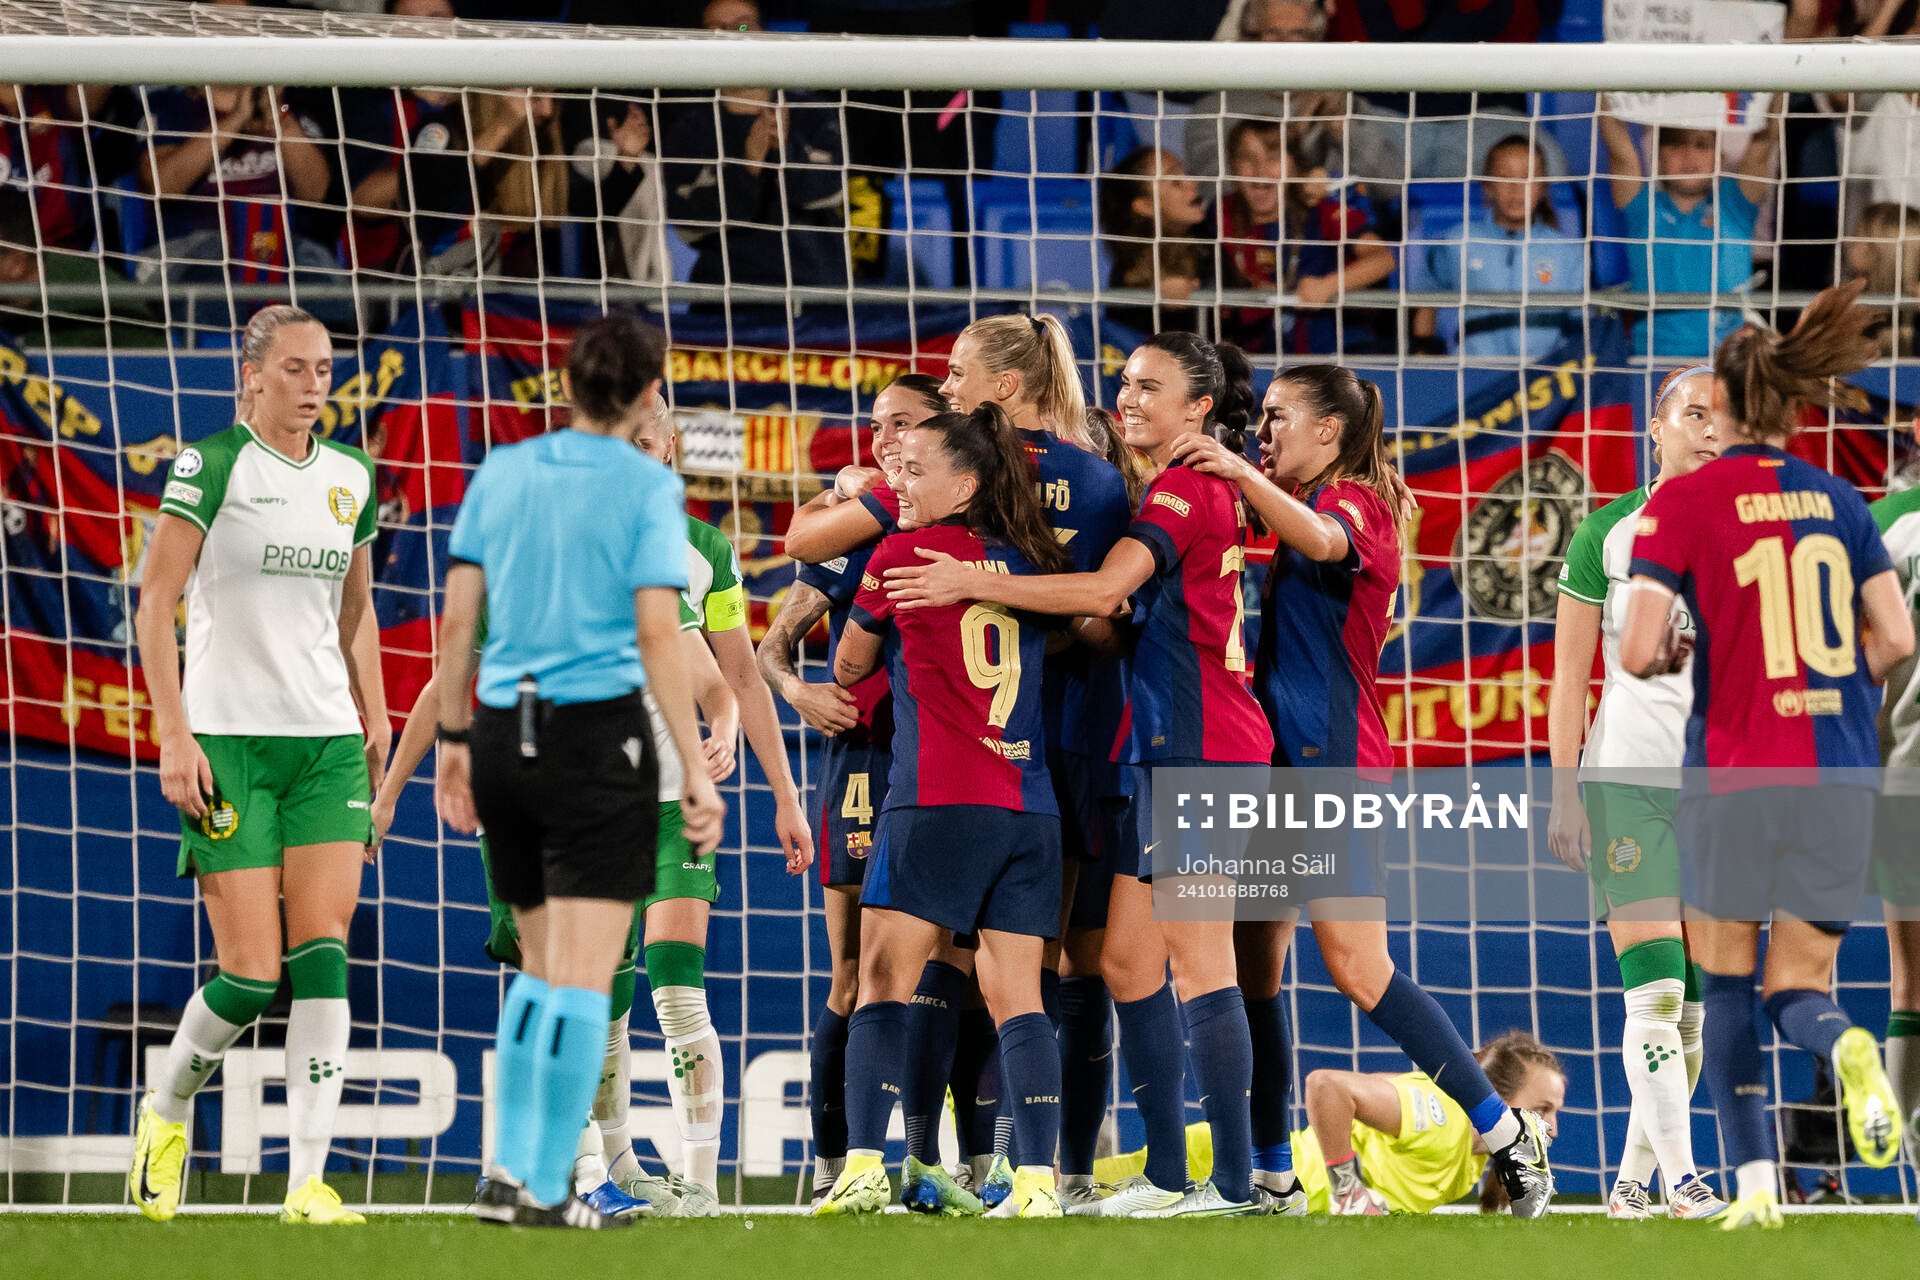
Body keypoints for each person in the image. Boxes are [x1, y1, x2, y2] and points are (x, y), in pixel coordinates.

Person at [887, 333, 1270, 1217]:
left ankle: (1235, 1184)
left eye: (1150, 388)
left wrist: (970, 583)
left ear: (1199, 408)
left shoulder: (1181, 487)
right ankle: (1174, 1176)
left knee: (1205, 965)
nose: (1127, 398)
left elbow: (1103, 596)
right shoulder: (1176, 483)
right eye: (1125, 382)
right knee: (1132, 961)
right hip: (1161, 747)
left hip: (1205, 749)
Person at [1168, 362, 1556, 1220]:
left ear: (1329, 433)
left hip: (1331, 763)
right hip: (1272, 763)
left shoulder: (1358, 507)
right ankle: (1271, 1173)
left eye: (1277, 418)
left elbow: (1323, 543)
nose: (1263, 434)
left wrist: (1234, 469)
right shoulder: (1302, 499)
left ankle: (1499, 1132)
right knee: (1250, 968)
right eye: (1257, 420)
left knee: (1357, 966)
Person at [1622, 279, 1915, 1229]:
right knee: (1799, 984)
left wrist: (1681, 651)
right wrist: (1831, 686)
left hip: (1737, 767)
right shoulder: (1840, 498)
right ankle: (1845, 1047)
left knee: (1728, 982)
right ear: (1789, 405)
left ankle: (1752, 1189)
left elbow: (1635, 650)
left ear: (1731, 412)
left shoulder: (1688, 503)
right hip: (1838, 773)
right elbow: (1900, 640)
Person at [434, 311, 724, 1229]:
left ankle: (507, 1173)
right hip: (598, 743)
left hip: (499, 735)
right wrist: (701, 768)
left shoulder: (504, 471)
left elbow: (454, 625)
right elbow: (655, 636)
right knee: (583, 980)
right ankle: (547, 1183)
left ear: (566, 386)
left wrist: (451, 745)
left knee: (538, 969)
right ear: (648, 394)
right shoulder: (645, 491)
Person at [128, 305, 390, 1227]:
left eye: (324, 368)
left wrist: (379, 712)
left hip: (324, 745)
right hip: (229, 740)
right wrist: (173, 730)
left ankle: (306, 1183)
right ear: (253, 376)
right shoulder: (213, 464)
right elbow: (156, 596)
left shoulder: (352, 474)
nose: (315, 384)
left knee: (324, 953)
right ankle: (164, 1112)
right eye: (295, 368)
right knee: (250, 973)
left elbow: (354, 609)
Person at [370, 598, 735, 1222]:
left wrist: (419, 776)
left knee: (556, 978)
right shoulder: (616, 547)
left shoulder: (510, 542)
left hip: (532, 779)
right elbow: (448, 672)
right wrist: (390, 794)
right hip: (579, 783)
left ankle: (529, 1174)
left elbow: (451, 662)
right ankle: (552, 1174)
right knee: (573, 980)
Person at [811, 405, 1071, 1219]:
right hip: (1030, 809)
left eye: (915, 469)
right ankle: (1035, 1185)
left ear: (965, 484)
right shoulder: (1031, 561)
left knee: (883, 980)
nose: (898, 481)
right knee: (1018, 998)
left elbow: (849, 669)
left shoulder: (898, 552)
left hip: (935, 801)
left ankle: (858, 1169)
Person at [616, 390, 815, 1214]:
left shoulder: (702, 550)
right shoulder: (561, 536)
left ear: (667, 449)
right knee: (598, 996)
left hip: (676, 798)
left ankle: (699, 1186)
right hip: (587, 802)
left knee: (672, 982)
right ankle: (614, 1170)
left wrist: (784, 794)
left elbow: (736, 679)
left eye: (642, 435)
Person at [756, 374, 947, 1205]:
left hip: (955, 766)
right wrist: (798, 692)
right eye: (877, 426)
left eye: (904, 424)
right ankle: (836, 1165)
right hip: (867, 763)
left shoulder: (963, 514)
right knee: (852, 972)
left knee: (954, 978)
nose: (884, 440)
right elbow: (771, 646)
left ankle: (943, 1163)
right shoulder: (852, 525)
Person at [1547, 366, 1729, 1221]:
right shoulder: (1608, 535)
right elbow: (1568, 676)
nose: (1709, 430)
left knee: (1690, 1008)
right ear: (1655, 428)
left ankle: (1631, 1183)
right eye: (1692, 414)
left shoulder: (1748, 534)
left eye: (1724, 418)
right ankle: (1688, 1181)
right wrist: (1562, 793)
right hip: (1628, 783)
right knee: (1653, 992)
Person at [1094, 1031, 1567, 1216]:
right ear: (1498, 1099)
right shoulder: (1438, 1116)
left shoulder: (1472, 1157)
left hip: (1265, 1198)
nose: (1552, 1127)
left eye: (1555, 1113)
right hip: (1229, 1167)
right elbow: (1327, 1086)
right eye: (1542, 1109)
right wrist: (1348, 1190)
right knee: (1074, 1198)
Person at [1599, 111, 1781, 360]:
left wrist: (1778, 82)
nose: (1689, 155)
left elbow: (1764, 142)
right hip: (1653, 359)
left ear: (1720, 158)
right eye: (1675, 143)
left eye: (1702, 145)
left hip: (1728, 361)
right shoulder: (1642, 207)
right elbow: (1616, 142)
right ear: (1657, 155)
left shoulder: (1734, 204)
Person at [1868, 417, 1920, 1178]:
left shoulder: (1884, 525)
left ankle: (1907, 1165)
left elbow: (1857, 670)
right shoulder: (1882, 524)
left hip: (1901, 778)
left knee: (1911, 975)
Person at [1414, 136, 1587, 360]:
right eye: (1505, 177)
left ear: (1542, 187)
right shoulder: (1459, 241)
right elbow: (1426, 299)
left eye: (1527, 177)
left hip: (1545, 381)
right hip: (1474, 373)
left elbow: (1580, 328)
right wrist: (1423, 353)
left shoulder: (1568, 252)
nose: (1516, 189)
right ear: (1488, 186)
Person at [1100, 148, 1214, 337]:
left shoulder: (1208, 238)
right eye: (1176, 182)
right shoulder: (1130, 272)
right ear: (1145, 206)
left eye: (1185, 172)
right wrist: (1157, 297)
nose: (1192, 183)